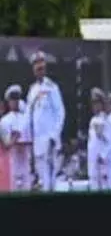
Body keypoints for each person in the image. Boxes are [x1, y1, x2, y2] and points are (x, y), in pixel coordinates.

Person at [25, 51, 64, 192]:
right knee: (41, 178)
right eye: (36, 68)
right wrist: (29, 138)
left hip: (50, 140)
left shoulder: (52, 87)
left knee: (51, 180)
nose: (39, 70)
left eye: (41, 67)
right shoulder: (32, 90)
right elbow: (28, 116)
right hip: (38, 141)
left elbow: (60, 112)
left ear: (45, 69)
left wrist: (55, 135)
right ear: (33, 70)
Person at [1, 85, 32, 191]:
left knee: (26, 187)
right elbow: (6, 144)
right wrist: (15, 138)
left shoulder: (25, 118)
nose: (15, 102)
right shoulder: (5, 120)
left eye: (17, 99)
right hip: (13, 159)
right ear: (9, 101)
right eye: (13, 99)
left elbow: (30, 138)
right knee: (14, 188)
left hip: (25, 158)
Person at [86, 89, 111, 191]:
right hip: (92, 160)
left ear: (101, 104)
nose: (94, 106)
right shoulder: (93, 119)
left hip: (101, 160)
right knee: (93, 183)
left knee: (103, 185)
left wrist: (102, 155)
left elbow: (108, 141)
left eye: (96, 103)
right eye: (93, 103)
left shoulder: (105, 119)